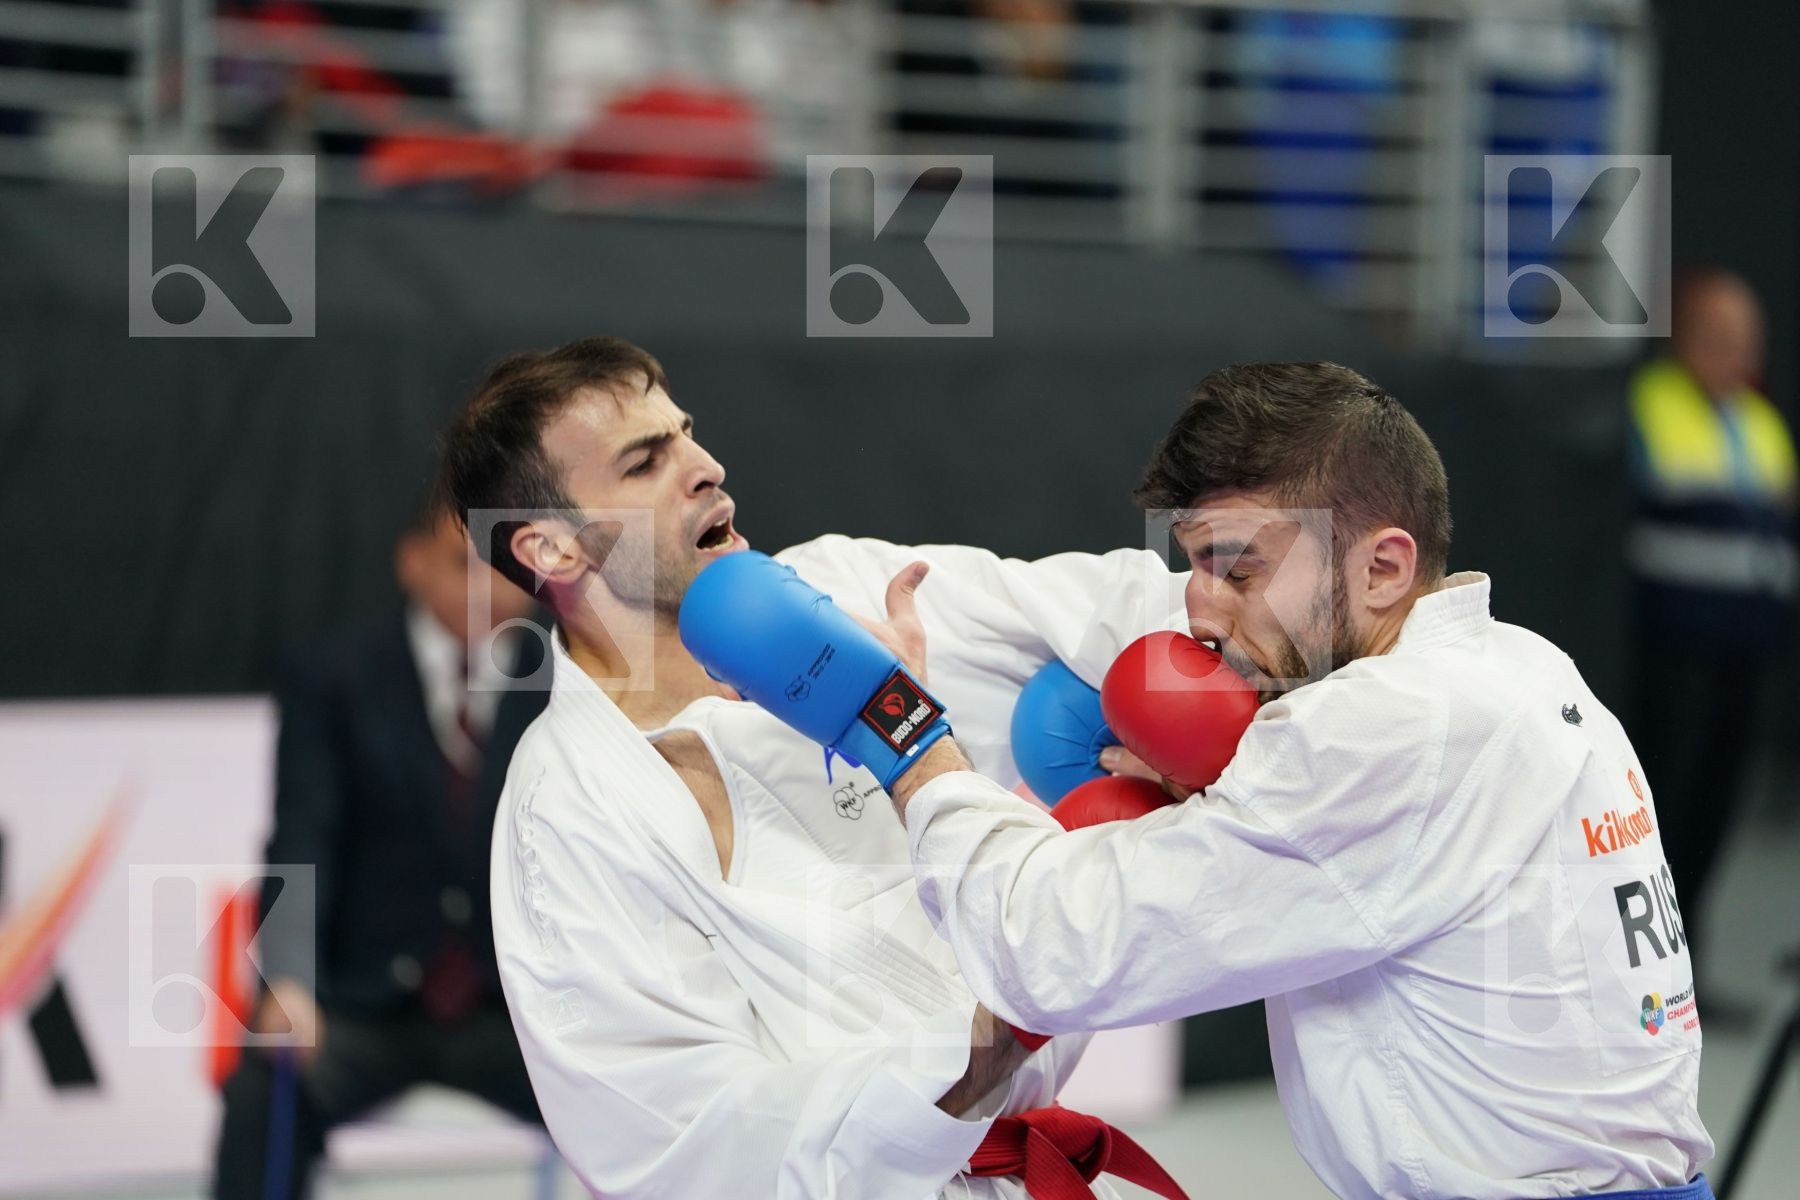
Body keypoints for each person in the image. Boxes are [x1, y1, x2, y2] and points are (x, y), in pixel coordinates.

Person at [704, 362, 1717, 1199]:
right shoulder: (1517, 664)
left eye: (1238, 568)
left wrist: (904, 733)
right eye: (1195, 564)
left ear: (1382, 566)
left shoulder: (1381, 727)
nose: (1200, 609)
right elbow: (1068, 601)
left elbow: (1052, 956)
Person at [435, 336, 1192, 1199]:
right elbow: (673, 1146)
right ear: (552, 551)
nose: (707, 466)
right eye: (646, 462)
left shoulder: (845, 586)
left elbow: (1109, 607)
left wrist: (1270, 645)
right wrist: (991, 1040)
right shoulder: (566, 808)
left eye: (686, 433)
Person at [212, 509, 547, 1200]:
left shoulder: (573, 679)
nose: (488, 585)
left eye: (506, 565)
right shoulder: (335, 676)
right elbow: (301, 835)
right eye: (464, 562)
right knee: (265, 1089)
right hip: (366, 1007)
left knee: (647, 1087)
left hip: (516, 1013)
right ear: (413, 561)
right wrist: (289, 980)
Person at [1625, 268, 1796, 948]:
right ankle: (1644, 957)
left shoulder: (1761, 420)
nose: (1740, 354)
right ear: (1685, 339)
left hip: (1744, 651)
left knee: (1717, 809)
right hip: (1672, 650)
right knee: (1662, 803)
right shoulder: (1647, 405)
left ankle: (1690, 952)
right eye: (1723, 337)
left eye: (1749, 340)